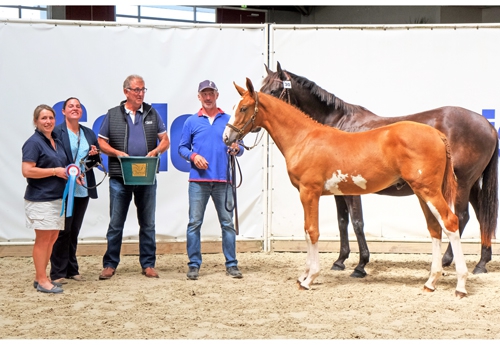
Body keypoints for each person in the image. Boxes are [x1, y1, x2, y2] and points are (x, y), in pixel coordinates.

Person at [97, 74, 170, 280]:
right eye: (137, 90)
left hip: (146, 177)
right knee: (115, 224)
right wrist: (117, 153)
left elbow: (165, 140)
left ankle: (148, 264)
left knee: (148, 223)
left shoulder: (151, 112)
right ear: (126, 91)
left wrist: (156, 151)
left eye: (143, 90)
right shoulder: (113, 114)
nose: (140, 94)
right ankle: (110, 264)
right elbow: (101, 142)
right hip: (120, 177)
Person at [178, 79, 244, 280]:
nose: (208, 97)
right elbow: (182, 148)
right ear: (199, 97)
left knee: (227, 224)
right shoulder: (191, 121)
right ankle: (194, 264)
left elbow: (240, 146)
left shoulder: (228, 118)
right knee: (194, 223)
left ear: (217, 95)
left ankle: (232, 264)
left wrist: (236, 148)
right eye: (204, 94)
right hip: (198, 182)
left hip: (224, 180)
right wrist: (193, 156)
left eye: (211, 93)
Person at [49, 97, 100, 284]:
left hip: (82, 188)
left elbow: (94, 162)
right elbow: (52, 157)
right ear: (63, 111)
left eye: (78, 106)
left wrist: (94, 155)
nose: (75, 108)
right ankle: (57, 272)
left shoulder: (88, 133)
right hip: (63, 187)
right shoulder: (56, 132)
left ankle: (72, 268)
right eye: (71, 106)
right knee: (62, 230)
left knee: (74, 229)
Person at [22, 104, 68, 294]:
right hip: (41, 199)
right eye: (43, 118)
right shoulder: (33, 143)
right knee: (43, 240)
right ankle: (42, 280)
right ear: (36, 121)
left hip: (57, 198)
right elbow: (27, 170)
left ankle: (41, 276)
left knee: (52, 238)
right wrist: (55, 171)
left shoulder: (55, 140)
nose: (48, 121)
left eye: (50, 118)